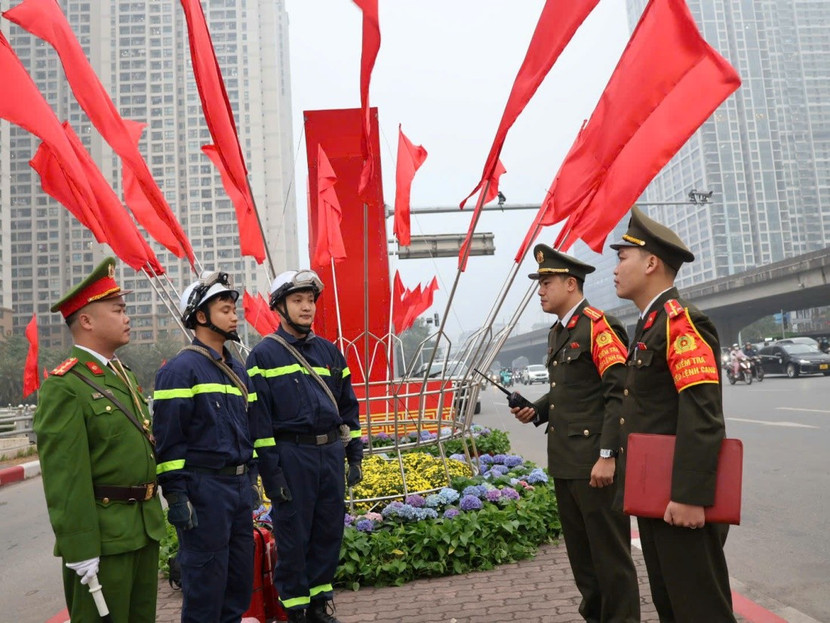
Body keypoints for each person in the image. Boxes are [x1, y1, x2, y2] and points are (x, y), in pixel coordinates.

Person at [611, 206, 736, 622]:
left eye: (622, 257)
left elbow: (702, 414)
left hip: (678, 502)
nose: (615, 269)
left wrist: (689, 496)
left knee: (700, 610)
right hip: (656, 496)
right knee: (672, 608)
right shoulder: (650, 326)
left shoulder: (680, 324)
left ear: (651, 263)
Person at [512, 244, 640, 623]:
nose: (540, 290)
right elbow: (570, 389)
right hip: (566, 464)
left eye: (546, 283)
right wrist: (537, 409)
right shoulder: (558, 332)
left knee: (611, 562)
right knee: (583, 563)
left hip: (594, 466)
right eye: (539, 283)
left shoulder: (599, 327)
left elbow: (618, 393)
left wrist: (608, 455)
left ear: (571, 284)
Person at [34, 257, 165, 622]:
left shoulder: (121, 375)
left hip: (142, 529)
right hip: (105, 541)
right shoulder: (66, 386)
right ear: (87, 321)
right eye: (118, 310)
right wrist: (80, 547)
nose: (127, 317)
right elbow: (65, 477)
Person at [246, 269, 363, 623]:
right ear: (279, 307)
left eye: (310, 300)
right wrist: (272, 475)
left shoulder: (330, 352)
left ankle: (318, 605)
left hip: (330, 453)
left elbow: (348, 408)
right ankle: (295, 609)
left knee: (328, 532)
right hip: (292, 455)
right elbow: (259, 423)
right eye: (297, 300)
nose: (307, 307)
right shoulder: (262, 356)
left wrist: (355, 456)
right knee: (294, 537)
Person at [152, 271, 259, 622]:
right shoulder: (181, 370)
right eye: (225, 310)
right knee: (205, 588)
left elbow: (248, 431)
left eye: (233, 310)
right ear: (200, 316)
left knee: (238, 583)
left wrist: (252, 479)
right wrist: (176, 495)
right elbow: (169, 440)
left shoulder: (237, 370)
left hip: (237, 489)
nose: (234, 316)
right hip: (204, 491)